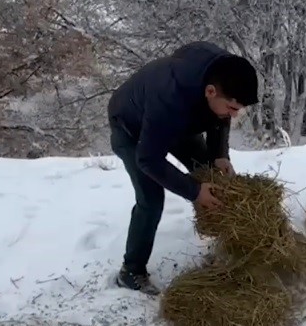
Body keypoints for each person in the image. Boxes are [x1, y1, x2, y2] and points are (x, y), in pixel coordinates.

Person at [107, 41, 259, 295]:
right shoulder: (169, 97)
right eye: (233, 109)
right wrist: (194, 190)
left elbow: (221, 115)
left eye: (239, 110)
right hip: (131, 128)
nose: (234, 115)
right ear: (210, 92)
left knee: (209, 169)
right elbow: (148, 159)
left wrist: (219, 154)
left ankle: (228, 241)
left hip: (179, 118)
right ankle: (131, 271)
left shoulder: (222, 69)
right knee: (151, 198)